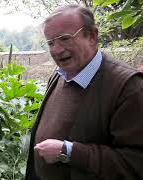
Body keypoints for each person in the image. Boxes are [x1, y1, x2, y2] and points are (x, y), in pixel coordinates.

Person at [25, 4, 143, 180]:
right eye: (51, 42)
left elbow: (136, 163)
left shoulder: (128, 87)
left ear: (93, 36)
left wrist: (69, 152)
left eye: (65, 38)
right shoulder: (58, 76)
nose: (56, 50)